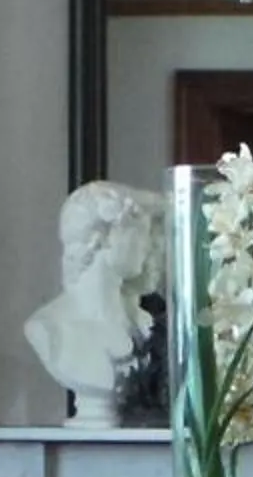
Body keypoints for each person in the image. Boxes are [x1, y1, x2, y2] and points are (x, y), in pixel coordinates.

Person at [23, 181, 160, 425]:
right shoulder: (49, 329)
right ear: (101, 240)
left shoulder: (145, 324)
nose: (147, 246)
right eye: (139, 233)